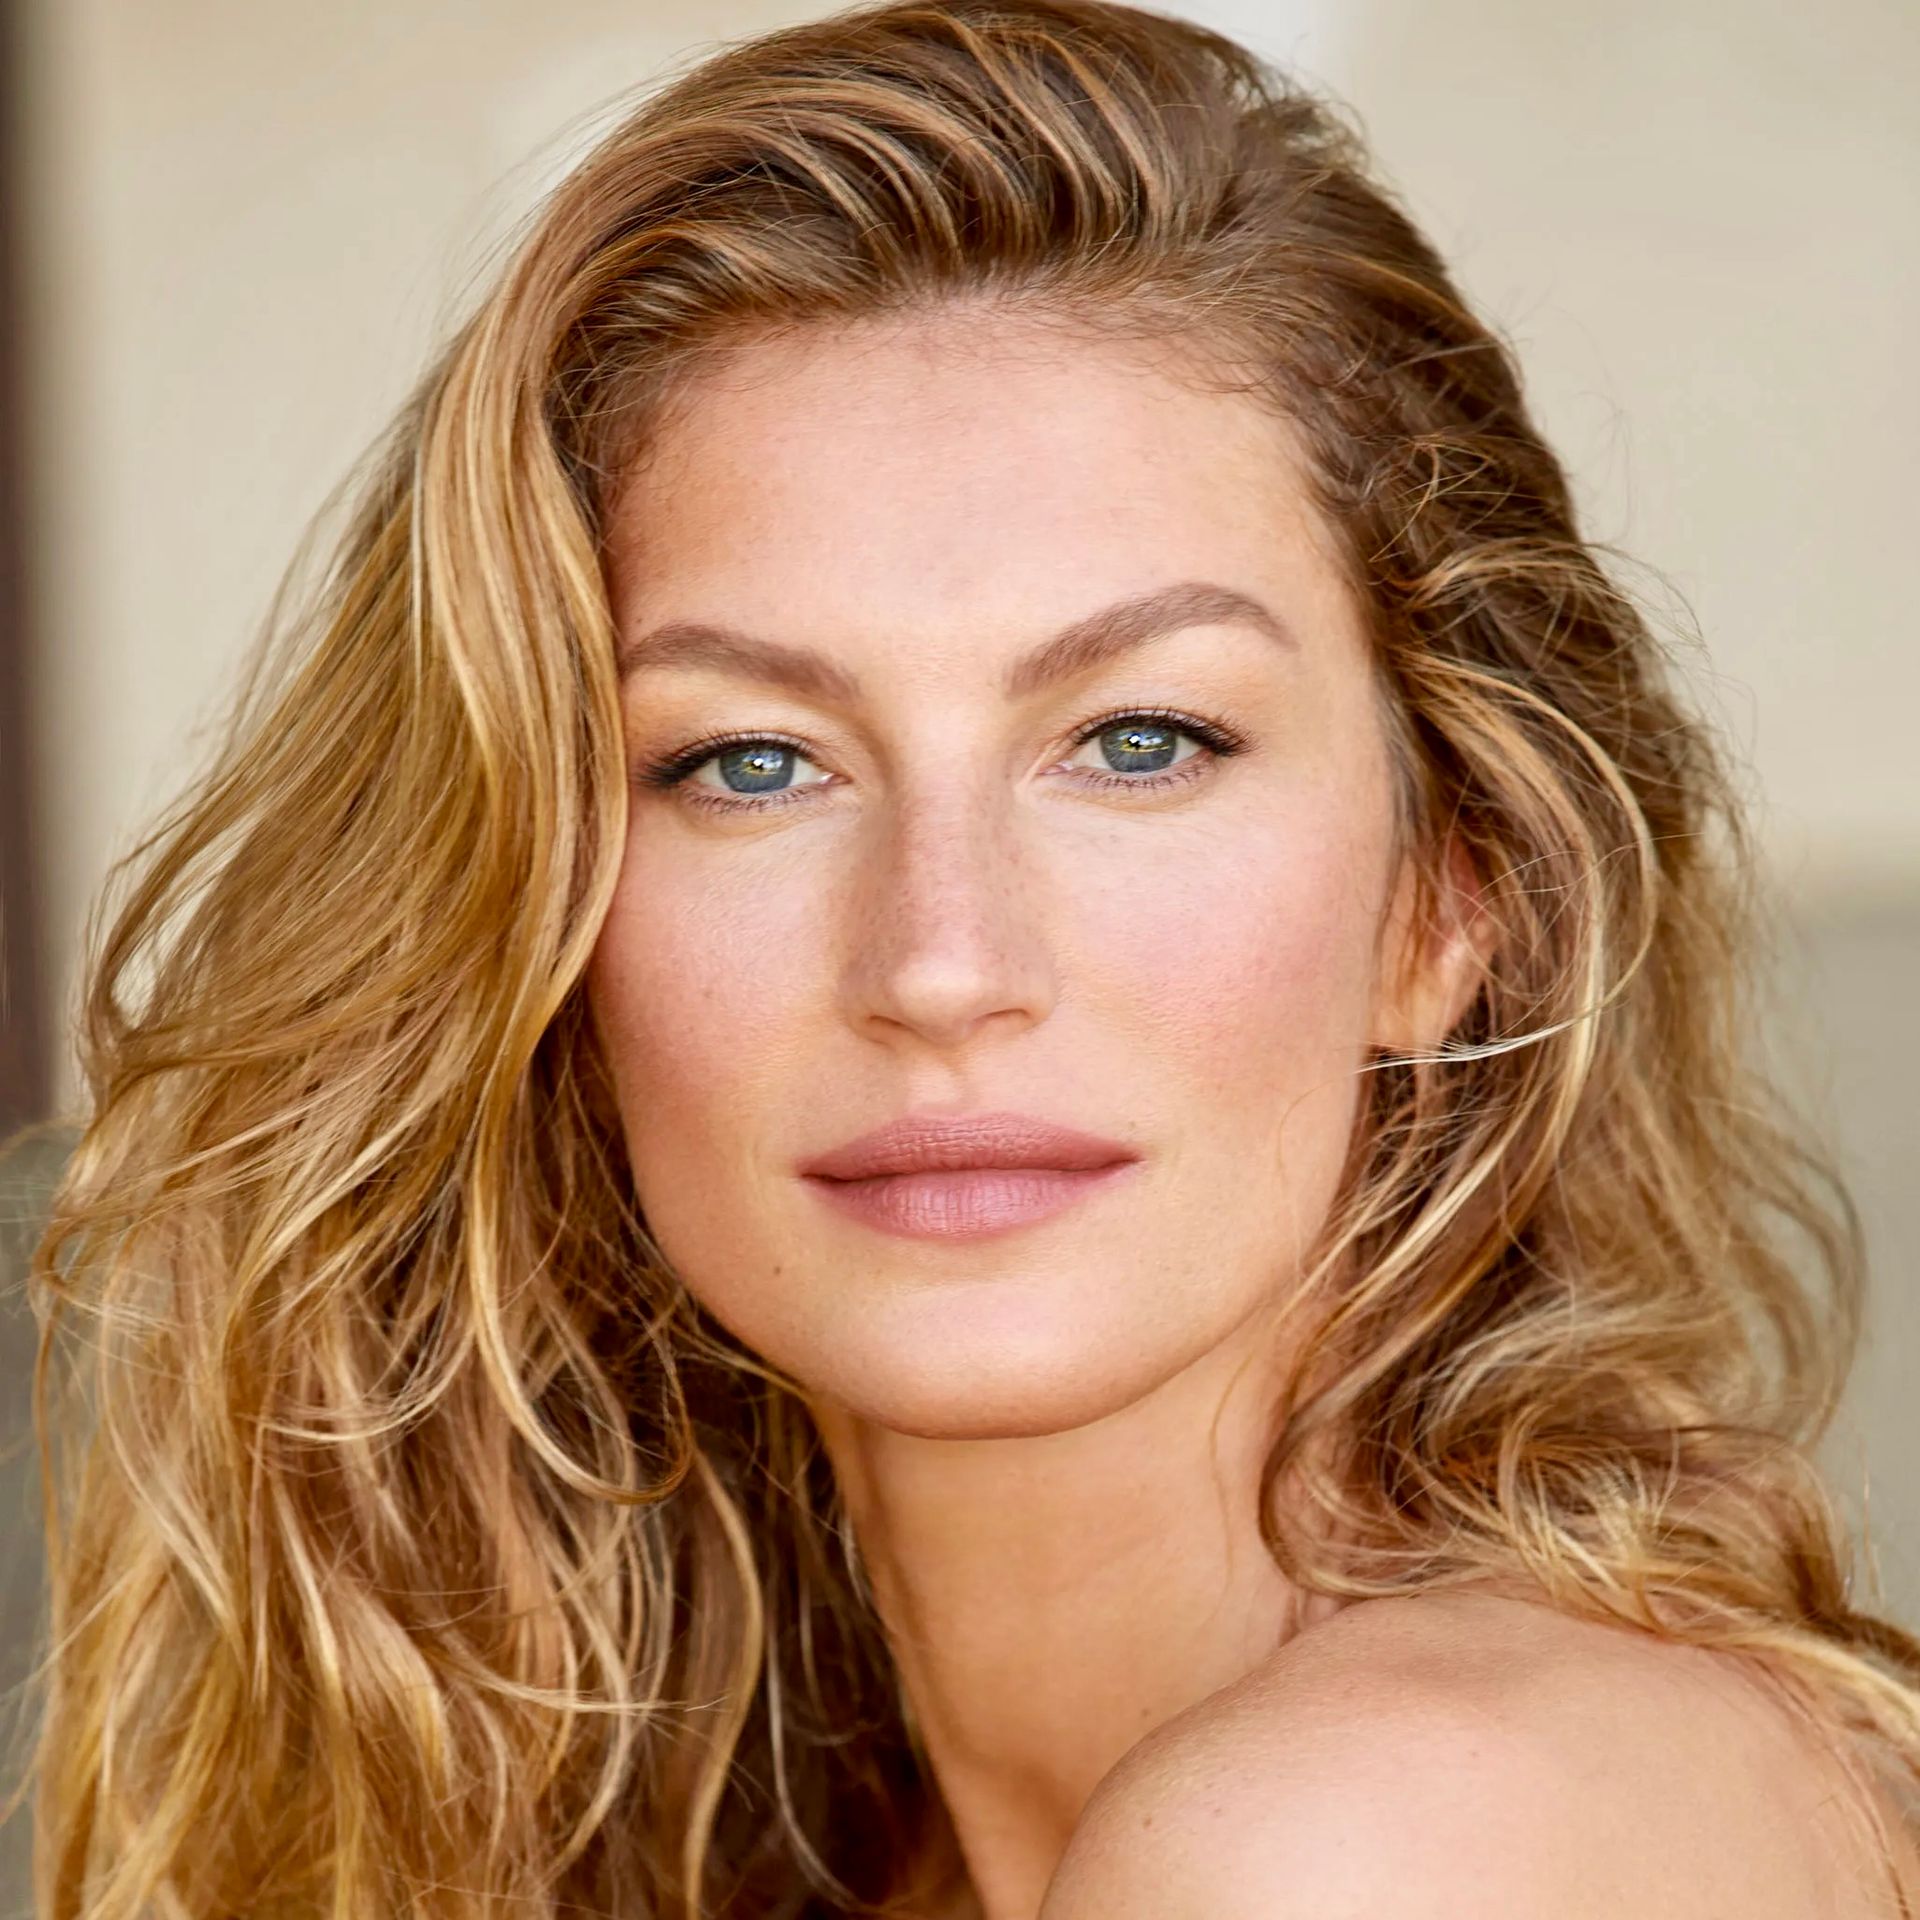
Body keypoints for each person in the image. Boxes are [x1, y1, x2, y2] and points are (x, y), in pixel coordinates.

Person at [17, 1, 1920, 1914]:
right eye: (752, 763)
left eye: (1142, 741)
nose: (940, 962)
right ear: (538, 935)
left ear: (1452, 900)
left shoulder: (1357, 1842)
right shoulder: (863, 1839)